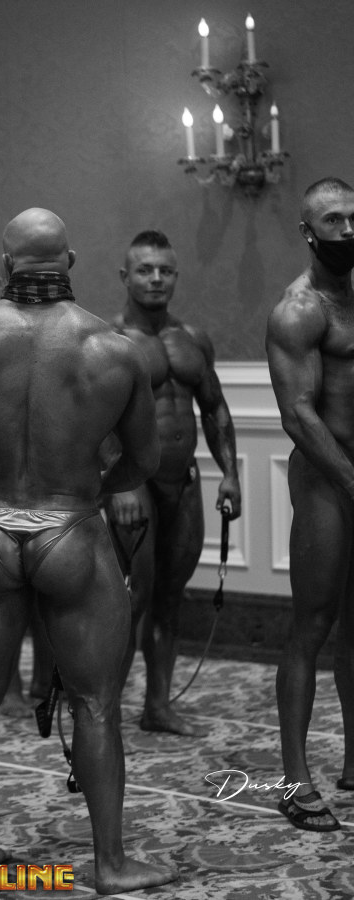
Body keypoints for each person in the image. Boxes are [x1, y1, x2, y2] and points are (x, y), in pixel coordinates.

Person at [0, 208, 177, 893]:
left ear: (5, 266)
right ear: (71, 263)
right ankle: (110, 863)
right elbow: (144, 461)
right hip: (72, 529)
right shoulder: (114, 348)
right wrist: (89, 485)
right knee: (95, 704)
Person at [104, 229, 241, 736]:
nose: (156, 279)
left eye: (165, 270)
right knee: (133, 598)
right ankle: (104, 713)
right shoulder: (107, 340)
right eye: (145, 270)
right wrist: (118, 486)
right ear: (125, 276)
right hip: (133, 481)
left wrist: (230, 474)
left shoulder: (193, 339)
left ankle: (157, 706)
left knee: (170, 595)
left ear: (176, 276)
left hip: (182, 481)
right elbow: (93, 420)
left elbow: (215, 407)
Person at [266, 176, 354, 832]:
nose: (347, 229)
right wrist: (351, 480)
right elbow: (298, 413)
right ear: (308, 231)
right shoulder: (298, 310)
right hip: (327, 478)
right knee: (312, 624)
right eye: (333, 220)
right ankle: (295, 781)